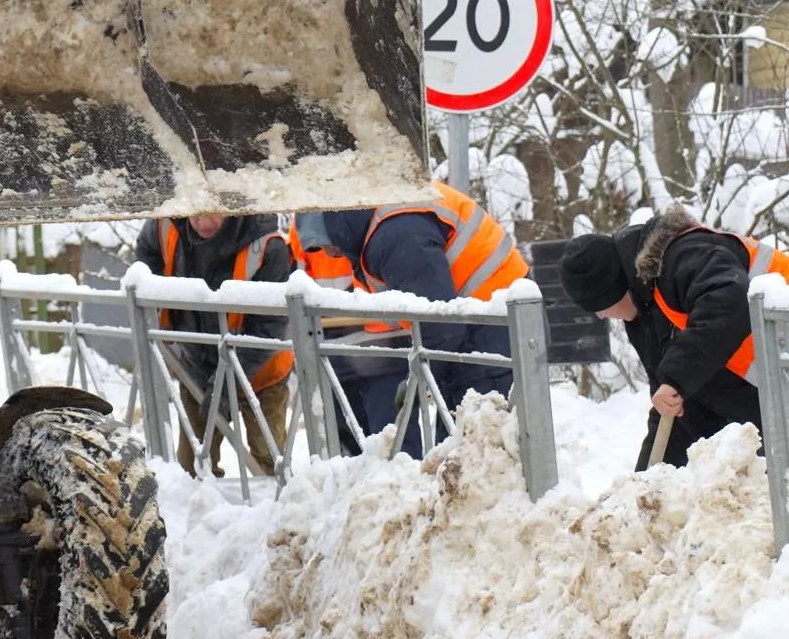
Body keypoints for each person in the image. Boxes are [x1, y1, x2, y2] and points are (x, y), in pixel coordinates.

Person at [558, 206, 789, 536]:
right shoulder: (645, 312)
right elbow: (673, 410)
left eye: (598, 307)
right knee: (772, 508)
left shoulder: (685, 254)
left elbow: (728, 299)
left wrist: (677, 378)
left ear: (613, 288)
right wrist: (643, 488)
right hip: (784, 379)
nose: (600, 317)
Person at [292, 181, 529, 457]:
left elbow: (439, 325)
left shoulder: (395, 236)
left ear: (339, 226)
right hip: (484, 323)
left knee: (476, 450)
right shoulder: (382, 219)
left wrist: (417, 382)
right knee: (462, 448)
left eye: (326, 244)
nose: (331, 254)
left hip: (496, 327)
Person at [133, 213, 294, 478]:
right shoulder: (165, 225)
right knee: (193, 465)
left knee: (269, 462)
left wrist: (226, 384)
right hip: (196, 363)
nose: (205, 223)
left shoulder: (266, 244)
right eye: (196, 215)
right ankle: (199, 514)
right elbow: (145, 259)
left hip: (261, 369)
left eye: (214, 215)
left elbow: (268, 327)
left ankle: (276, 515)